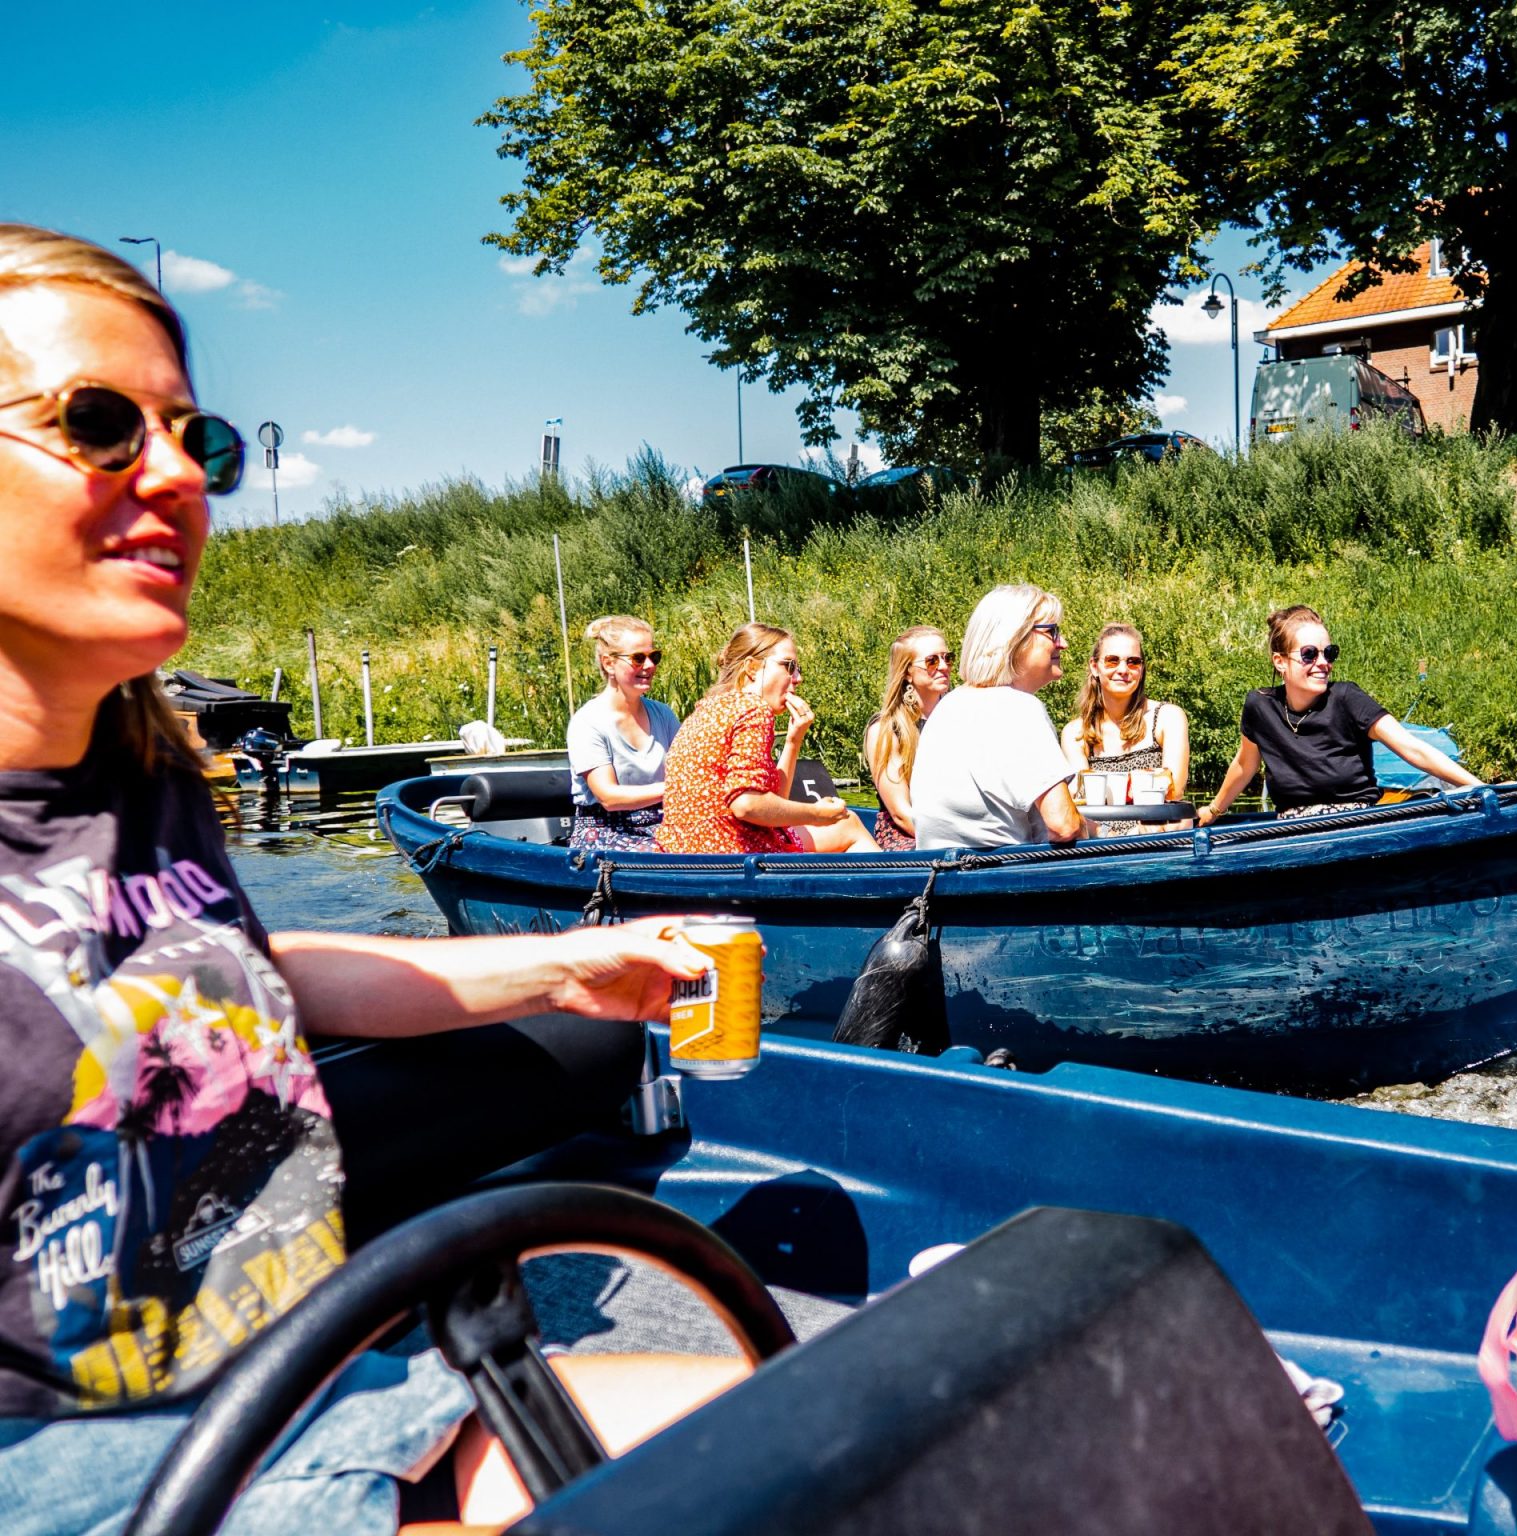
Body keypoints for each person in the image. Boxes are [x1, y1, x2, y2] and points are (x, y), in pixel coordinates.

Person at [0, 225, 723, 1533]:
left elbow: (252, 980)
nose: (175, 476)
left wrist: (567, 962)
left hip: (301, 1372)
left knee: (810, 1427)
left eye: (197, 439)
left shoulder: (141, 765)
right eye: (100, 423)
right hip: (95, 1478)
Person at [1197, 604, 1480, 824]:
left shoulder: (1346, 698)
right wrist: (1213, 810)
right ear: (1280, 662)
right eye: (1309, 655)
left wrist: (1479, 787)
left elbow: (1412, 748)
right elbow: (1245, 765)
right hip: (1292, 834)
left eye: (1328, 653)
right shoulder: (1260, 707)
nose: (1322, 663)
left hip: (1354, 824)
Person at [656, 623, 879, 855]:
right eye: (788, 666)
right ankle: (895, 890)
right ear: (752, 668)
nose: (798, 678)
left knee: (843, 824)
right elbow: (747, 804)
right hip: (728, 850)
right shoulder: (753, 709)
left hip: (681, 851)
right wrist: (819, 814)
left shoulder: (706, 709)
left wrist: (794, 740)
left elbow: (771, 803)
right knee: (848, 824)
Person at [911, 585, 1086, 849]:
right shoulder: (1017, 709)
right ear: (1015, 639)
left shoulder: (949, 707)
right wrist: (1095, 829)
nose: (1063, 643)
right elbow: (1064, 825)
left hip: (945, 877)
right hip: (1008, 879)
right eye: (1051, 631)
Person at [1061, 623, 1190, 835]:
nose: (1123, 670)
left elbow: (1173, 789)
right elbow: (1079, 800)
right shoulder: (1076, 733)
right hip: (1101, 843)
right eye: (1112, 661)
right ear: (1095, 667)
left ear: (1142, 669)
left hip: (1158, 836)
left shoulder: (1167, 717)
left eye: (1133, 662)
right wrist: (1112, 837)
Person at [566, 614, 679, 851]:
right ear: (609, 663)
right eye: (638, 658)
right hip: (605, 831)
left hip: (661, 823)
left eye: (654, 657)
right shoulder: (587, 722)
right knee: (667, 854)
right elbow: (609, 797)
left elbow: (686, 769)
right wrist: (677, 787)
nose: (649, 666)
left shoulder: (663, 715)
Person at [862, 626, 951, 851]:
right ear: (908, 672)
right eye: (931, 661)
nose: (943, 667)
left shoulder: (959, 718)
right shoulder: (886, 729)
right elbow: (901, 814)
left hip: (953, 826)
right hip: (906, 834)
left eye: (947, 658)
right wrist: (949, 840)